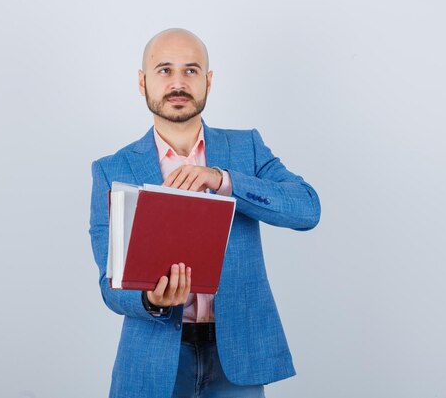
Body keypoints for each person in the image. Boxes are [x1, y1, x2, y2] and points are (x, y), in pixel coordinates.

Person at [89, 28, 321, 398]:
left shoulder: (247, 149)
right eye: (164, 70)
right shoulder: (113, 169)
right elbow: (110, 285)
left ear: (208, 81)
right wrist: (150, 300)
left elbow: (307, 208)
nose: (178, 82)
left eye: (191, 70)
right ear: (142, 81)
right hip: (154, 362)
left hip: (236, 360)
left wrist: (224, 180)